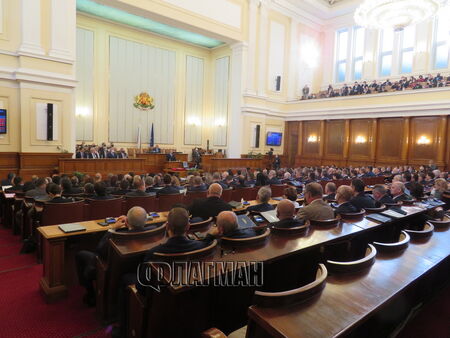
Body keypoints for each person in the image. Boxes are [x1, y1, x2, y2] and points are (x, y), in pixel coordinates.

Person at [75, 207, 149, 306]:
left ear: (126, 222)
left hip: (111, 270)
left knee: (81, 254)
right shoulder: (154, 233)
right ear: (146, 220)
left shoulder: (118, 239)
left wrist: (112, 229)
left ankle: (90, 294)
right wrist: (129, 220)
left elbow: (99, 250)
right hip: (136, 268)